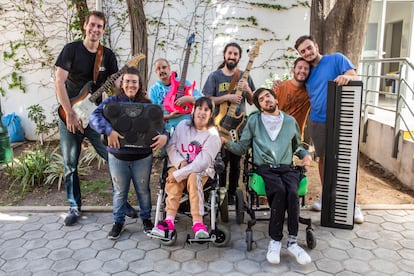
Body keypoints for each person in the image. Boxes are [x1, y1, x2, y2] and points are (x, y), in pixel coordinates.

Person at [55, 10, 136, 226]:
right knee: (70, 164)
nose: (95, 29)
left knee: (113, 157)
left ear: (103, 30)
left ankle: (121, 202)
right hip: (69, 115)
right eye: (92, 25)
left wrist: (124, 81)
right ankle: (74, 206)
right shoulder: (71, 50)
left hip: (94, 118)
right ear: (85, 25)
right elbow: (59, 82)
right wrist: (70, 114)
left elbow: (116, 87)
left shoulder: (107, 55)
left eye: (99, 27)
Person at [222, 88, 312, 265]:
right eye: (261, 99)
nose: (266, 100)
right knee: (279, 191)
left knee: (292, 193)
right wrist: (226, 143)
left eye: (268, 96)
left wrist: (305, 155)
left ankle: (293, 242)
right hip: (265, 168)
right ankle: (276, 241)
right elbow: (242, 147)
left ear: (275, 99)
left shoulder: (290, 121)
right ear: (260, 106)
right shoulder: (254, 121)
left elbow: (298, 147)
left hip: (287, 168)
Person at [89, 67, 168, 239]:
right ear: (122, 83)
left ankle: (147, 220)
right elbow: (94, 116)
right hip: (118, 156)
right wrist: (108, 130)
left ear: (139, 85)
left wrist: (164, 136)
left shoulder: (148, 104)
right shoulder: (112, 102)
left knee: (143, 190)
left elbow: (162, 125)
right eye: (127, 81)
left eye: (134, 81)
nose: (131, 85)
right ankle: (118, 222)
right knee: (119, 191)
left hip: (142, 157)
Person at [294, 35, 364, 223]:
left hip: (342, 118)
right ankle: (326, 198)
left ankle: (353, 204)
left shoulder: (337, 59)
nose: (307, 53)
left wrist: (345, 76)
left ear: (316, 45)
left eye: (309, 48)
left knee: (347, 161)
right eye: (303, 51)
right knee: (323, 159)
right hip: (317, 121)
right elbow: (296, 85)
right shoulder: (307, 70)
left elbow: (354, 76)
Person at [151, 97, 221, 239]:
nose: (202, 112)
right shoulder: (183, 125)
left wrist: (179, 174)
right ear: (194, 110)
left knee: (193, 177)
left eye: (206, 110)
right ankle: (168, 221)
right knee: (174, 184)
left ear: (211, 114)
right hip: (178, 164)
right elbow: (171, 146)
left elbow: (202, 163)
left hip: (201, 171)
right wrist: (181, 163)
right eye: (199, 108)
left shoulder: (213, 135)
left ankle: (198, 223)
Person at [202, 42, 255, 204]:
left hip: (238, 128)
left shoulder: (244, 76)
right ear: (224, 55)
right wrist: (226, 97)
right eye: (230, 53)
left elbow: (253, 101)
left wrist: (247, 89)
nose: (232, 56)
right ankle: (219, 191)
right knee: (220, 160)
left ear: (239, 57)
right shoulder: (215, 76)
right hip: (219, 126)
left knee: (236, 162)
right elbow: (207, 99)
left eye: (235, 54)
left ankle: (232, 194)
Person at [149, 58, 203, 134]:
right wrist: (169, 117)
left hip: (185, 128)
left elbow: (202, 100)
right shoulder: (154, 90)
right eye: (158, 69)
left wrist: (189, 98)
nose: (161, 70)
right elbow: (152, 114)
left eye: (164, 67)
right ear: (156, 72)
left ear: (169, 68)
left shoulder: (183, 83)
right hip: (164, 131)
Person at [273, 57, 310, 140]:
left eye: (306, 69)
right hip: (277, 137)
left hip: (295, 137)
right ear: (293, 70)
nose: (303, 71)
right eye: (300, 68)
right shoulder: (280, 87)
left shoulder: (310, 92)